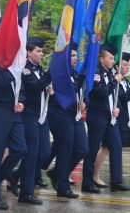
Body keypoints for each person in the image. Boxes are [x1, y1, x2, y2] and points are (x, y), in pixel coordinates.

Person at [82, 44, 130, 193]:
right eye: (110, 58)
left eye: (113, 58)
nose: (112, 60)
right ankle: (87, 183)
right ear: (102, 59)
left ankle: (116, 181)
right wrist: (115, 81)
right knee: (93, 148)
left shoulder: (109, 73)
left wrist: (117, 109)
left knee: (116, 146)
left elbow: (117, 97)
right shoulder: (96, 73)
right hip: (97, 116)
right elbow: (101, 93)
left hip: (110, 117)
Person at [11, 37, 52, 205]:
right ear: (28, 53)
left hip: (41, 116)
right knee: (31, 155)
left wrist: (49, 87)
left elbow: (41, 86)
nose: (41, 54)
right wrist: (50, 75)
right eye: (38, 51)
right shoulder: (25, 69)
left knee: (44, 153)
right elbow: (34, 87)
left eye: (42, 51)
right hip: (29, 115)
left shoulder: (39, 69)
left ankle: (16, 175)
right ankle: (26, 193)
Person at [0, 56, 27, 210]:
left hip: (14, 113)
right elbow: (1, 81)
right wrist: (15, 68)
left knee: (20, 148)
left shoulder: (16, 66)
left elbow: (20, 89)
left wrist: (21, 101)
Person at [46, 42, 88, 198]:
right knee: (65, 149)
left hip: (74, 114)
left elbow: (80, 93)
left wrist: (84, 103)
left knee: (82, 149)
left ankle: (56, 173)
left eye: (76, 55)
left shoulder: (74, 73)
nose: (75, 58)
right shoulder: (59, 72)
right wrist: (84, 76)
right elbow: (68, 91)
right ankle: (63, 185)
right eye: (72, 55)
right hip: (60, 114)